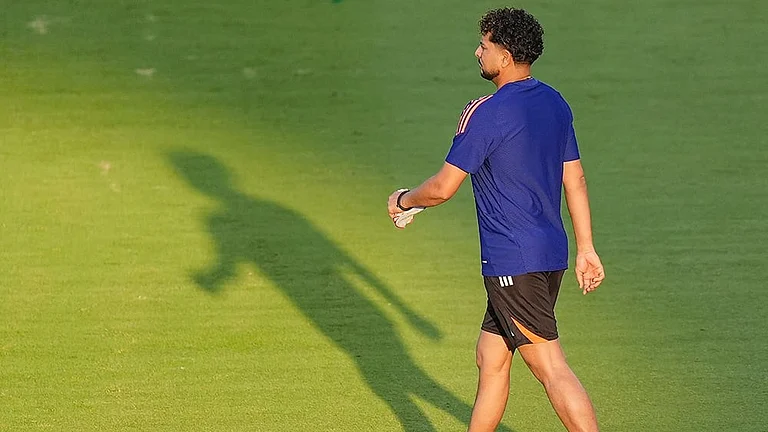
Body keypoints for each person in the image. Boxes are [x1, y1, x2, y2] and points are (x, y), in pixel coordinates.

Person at [387, 8, 605, 432]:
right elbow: (573, 177)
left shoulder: (486, 112)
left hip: (512, 263)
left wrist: (404, 199)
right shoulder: (554, 102)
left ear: (504, 56)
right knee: (491, 357)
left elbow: (443, 187)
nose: (477, 51)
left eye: (484, 46)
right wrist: (587, 248)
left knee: (550, 367)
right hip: (550, 255)